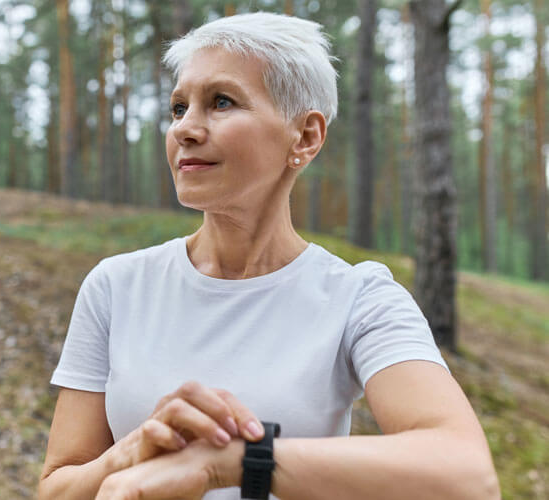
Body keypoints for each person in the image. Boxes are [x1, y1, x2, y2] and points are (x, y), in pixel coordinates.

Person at [38, 12, 499, 500]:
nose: (185, 129)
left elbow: (467, 476)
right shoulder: (117, 286)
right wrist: (129, 453)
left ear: (305, 136)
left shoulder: (358, 299)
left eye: (221, 102)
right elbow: (56, 488)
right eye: (178, 108)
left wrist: (231, 463)